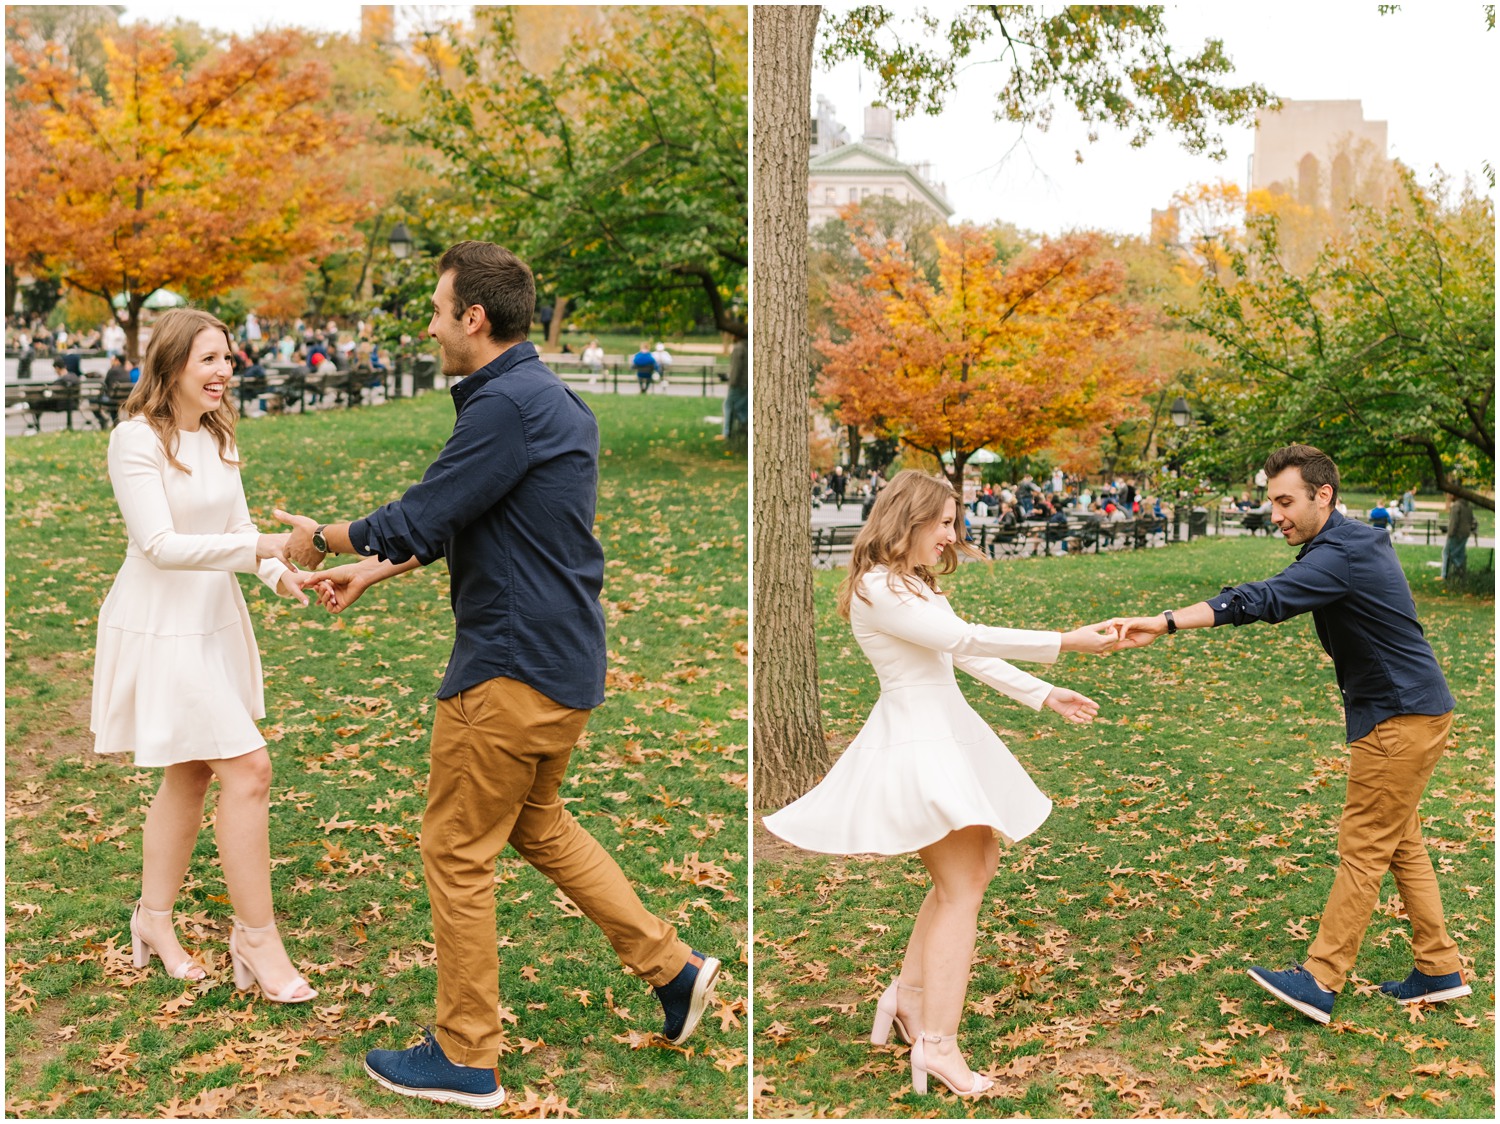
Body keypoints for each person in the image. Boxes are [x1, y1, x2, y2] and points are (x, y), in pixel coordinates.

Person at [274, 242, 720, 1110]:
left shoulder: (504, 407)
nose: (433, 326)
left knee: (455, 849)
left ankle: (465, 1053)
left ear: (473, 318)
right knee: (539, 828)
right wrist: (374, 570)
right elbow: (472, 515)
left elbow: (423, 511)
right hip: (563, 661)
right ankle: (672, 969)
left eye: (439, 311)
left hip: (511, 671)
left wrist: (325, 540)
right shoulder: (542, 398)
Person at [763, 471, 1116, 1097]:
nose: (953, 536)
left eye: (955, 523)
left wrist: (1044, 693)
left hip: (947, 731)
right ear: (910, 519)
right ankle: (937, 1044)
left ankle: (907, 998)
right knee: (962, 886)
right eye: (945, 523)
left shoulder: (912, 585)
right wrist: (1066, 643)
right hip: (917, 743)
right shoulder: (878, 588)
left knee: (974, 868)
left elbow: (965, 653)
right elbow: (961, 637)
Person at [1110, 444, 1467, 1025]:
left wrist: (1166, 621)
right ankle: (1439, 967)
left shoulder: (1338, 555)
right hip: (1413, 710)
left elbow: (1266, 598)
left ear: (1322, 496)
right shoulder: (1343, 545)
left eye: (1285, 501)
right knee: (1401, 842)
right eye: (1270, 501)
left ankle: (1321, 979)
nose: (1275, 513)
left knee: (1364, 847)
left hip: (1399, 719)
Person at [89, 308, 319, 1008]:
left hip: (213, 623)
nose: (224, 371)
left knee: (190, 773)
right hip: (159, 627)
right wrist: (264, 550)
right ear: (172, 365)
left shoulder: (220, 437)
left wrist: (289, 576)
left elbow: (240, 533)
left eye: (228, 358)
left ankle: (152, 922)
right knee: (249, 769)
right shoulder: (135, 441)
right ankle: (256, 938)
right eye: (210, 359)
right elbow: (158, 544)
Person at [1441, 494, 1476, 580]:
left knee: (1447, 553)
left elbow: (1454, 522)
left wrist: (1450, 533)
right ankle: (1460, 573)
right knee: (1460, 554)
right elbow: (1472, 520)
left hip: (1456, 534)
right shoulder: (1468, 506)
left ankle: (1445, 575)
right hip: (1465, 533)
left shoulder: (1456, 506)